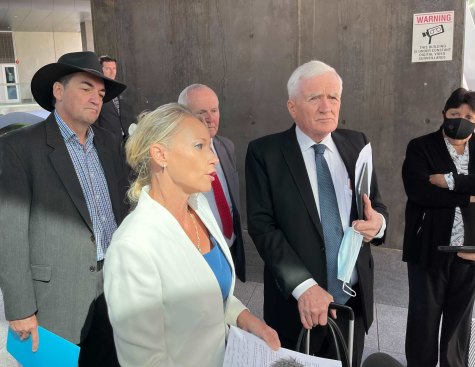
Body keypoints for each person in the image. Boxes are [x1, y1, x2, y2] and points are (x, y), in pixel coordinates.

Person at [103, 103, 280, 366]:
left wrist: (243, 316)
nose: (214, 158)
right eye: (200, 146)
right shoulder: (133, 247)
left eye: (210, 146)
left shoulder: (200, 206)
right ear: (160, 155)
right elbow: (144, 360)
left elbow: (208, 291)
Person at [245, 60, 388, 367]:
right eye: (315, 98)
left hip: (353, 301)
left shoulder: (357, 143)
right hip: (298, 305)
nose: (327, 107)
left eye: (333, 97)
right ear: (292, 106)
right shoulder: (265, 153)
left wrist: (378, 224)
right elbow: (262, 226)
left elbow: (375, 204)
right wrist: (305, 286)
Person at [0, 51, 128, 366]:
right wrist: (20, 308)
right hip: (55, 299)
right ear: (58, 91)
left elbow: (123, 210)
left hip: (113, 288)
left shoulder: (110, 142)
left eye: (100, 93)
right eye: (86, 88)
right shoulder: (19, 148)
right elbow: (10, 233)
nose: (96, 98)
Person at [402, 87, 475, 367]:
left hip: (469, 252)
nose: (461, 119)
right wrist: (470, 196)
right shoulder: (421, 146)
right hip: (428, 248)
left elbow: (437, 191)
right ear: (444, 114)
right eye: (455, 113)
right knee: (424, 319)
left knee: (459, 323)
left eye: (469, 115)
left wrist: (450, 181)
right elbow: (420, 193)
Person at [178, 84, 246, 282]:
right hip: (200, 250)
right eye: (201, 112)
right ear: (184, 115)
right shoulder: (177, 156)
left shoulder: (226, 146)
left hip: (230, 243)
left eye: (214, 110)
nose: (210, 118)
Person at [97, 55, 130, 141]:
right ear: (101, 70)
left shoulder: (119, 89)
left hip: (125, 140)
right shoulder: (97, 93)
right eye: (108, 69)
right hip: (107, 142)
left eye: (114, 68)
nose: (112, 72)